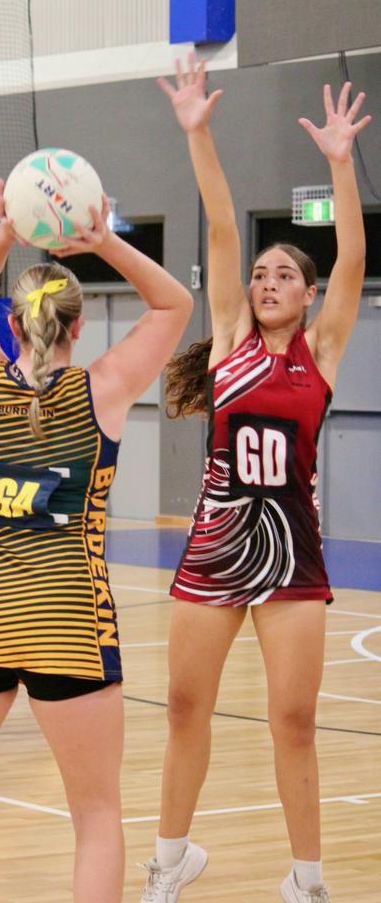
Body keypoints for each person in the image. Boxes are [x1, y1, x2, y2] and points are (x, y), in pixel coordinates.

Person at [0, 181, 194, 903]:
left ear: (14, 327)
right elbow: (175, 303)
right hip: (66, 619)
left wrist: (9, 227)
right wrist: (103, 237)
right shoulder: (102, 389)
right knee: (96, 812)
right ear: (77, 329)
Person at [139, 57, 370, 903]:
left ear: (308, 300)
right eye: (263, 274)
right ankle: (169, 863)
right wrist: (197, 131)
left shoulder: (324, 354)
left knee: (295, 720)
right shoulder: (231, 339)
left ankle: (307, 881)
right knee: (183, 709)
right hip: (215, 544)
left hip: (293, 558)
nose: (268, 280)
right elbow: (222, 228)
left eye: (285, 276)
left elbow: (352, 255)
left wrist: (342, 163)